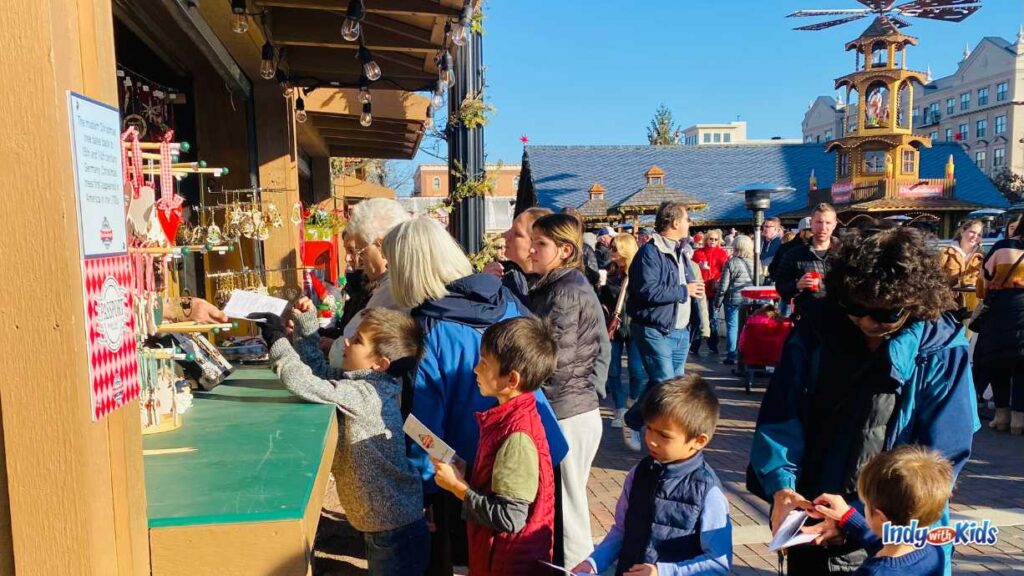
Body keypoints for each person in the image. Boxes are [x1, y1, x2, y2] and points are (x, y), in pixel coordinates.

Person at [750, 225, 978, 574]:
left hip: (895, 527)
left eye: (886, 313)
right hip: (814, 510)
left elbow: (941, 459)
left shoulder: (942, 349)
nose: (868, 322)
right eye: (856, 308)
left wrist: (856, 517)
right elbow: (781, 415)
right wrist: (782, 489)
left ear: (915, 303)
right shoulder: (816, 328)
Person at [381, 216, 567, 575]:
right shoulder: (505, 297)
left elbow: (425, 421)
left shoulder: (430, 326)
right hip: (540, 443)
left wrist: (428, 489)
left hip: (477, 469)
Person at [250, 303, 429, 574]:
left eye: (358, 341)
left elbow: (304, 383)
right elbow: (318, 373)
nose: (347, 340)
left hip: (393, 531)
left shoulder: (365, 394)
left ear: (379, 364)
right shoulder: (365, 383)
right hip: (384, 525)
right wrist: (306, 323)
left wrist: (277, 340)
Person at [432, 317, 558, 576]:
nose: (475, 369)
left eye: (484, 363)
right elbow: (500, 483)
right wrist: (467, 472)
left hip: (508, 563)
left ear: (511, 379)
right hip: (498, 558)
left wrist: (459, 488)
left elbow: (510, 518)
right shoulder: (507, 416)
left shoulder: (518, 435)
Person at [573, 375, 732, 575]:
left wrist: (662, 572)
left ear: (698, 441)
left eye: (664, 435)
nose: (651, 440)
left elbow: (718, 563)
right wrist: (594, 562)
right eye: (649, 429)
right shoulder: (639, 473)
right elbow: (622, 530)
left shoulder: (707, 491)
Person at [528, 212, 606, 568]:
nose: (532, 249)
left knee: (570, 515)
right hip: (570, 407)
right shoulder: (558, 286)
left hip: (568, 412)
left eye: (540, 243)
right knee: (564, 507)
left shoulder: (566, 291)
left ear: (564, 250)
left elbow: (556, 360)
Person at [623, 201, 709, 452]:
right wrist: (685, 290)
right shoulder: (650, 253)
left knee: (665, 384)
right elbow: (647, 290)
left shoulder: (682, 250)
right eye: (687, 219)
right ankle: (656, 430)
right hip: (654, 328)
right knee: (666, 383)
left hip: (679, 330)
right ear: (674, 223)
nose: (690, 224)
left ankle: (638, 420)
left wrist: (693, 297)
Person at [805, 446, 952, 576]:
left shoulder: (873, 572)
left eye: (866, 504)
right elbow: (880, 544)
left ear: (881, 517)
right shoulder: (933, 551)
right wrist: (847, 516)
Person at [327, 198, 411, 368]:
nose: (358, 261)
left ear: (381, 246)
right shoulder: (389, 284)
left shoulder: (394, 289)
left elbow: (344, 353)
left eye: (361, 251)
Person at [973, 214, 1024, 435]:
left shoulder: (1003, 247)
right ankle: (1019, 419)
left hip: (1000, 312)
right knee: (1023, 367)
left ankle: (1001, 416)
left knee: (998, 362)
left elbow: (982, 281)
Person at [599, 234, 649, 428]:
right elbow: (601, 299)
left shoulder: (639, 272)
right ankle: (619, 408)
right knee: (613, 370)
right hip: (614, 326)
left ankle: (633, 401)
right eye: (611, 248)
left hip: (634, 326)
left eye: (615, 248)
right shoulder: (608, 272)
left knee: (637, 370)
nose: (611, 252)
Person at [774, 203, 838, 316]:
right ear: (811, 224)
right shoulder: (794, 255)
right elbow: (780, 287)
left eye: (828, 223)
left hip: (841, 318)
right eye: (818, 222)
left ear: (834, 225)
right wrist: (797, 285)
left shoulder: (845, 252)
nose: (823, 227)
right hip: (807, 320)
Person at [484, 207, 553, 303]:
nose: (505, 235)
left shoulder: (555, 289)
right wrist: (484, 284)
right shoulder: (505, 274)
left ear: (537, 243)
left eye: (517, 233)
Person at [714, 235, 757, 365]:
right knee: (746, 327)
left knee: (732, 327)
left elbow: (723, 286)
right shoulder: (755, 262)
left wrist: (717, 302)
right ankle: (745, 353)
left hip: (733, 300)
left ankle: (731, 355)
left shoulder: (731, 262)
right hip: (750, 300)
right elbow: (759, 281)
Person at [692, 229, 730, 355]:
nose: (713, 241)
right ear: (706, 239)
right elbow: (691, 268)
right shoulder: (698, 253)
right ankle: (695, 345)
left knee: (713, 319)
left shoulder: (722, 253)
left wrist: (719, 279)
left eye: (715, 239)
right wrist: (700, 267)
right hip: (700, 288)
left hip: (714, 289)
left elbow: (726, 270)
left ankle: (713, 344)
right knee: (698, 317)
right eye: (710, 239)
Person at [939, 219, 984, 316]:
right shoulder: (946, 253)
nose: (975, 237)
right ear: (963, 231)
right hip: (947, 307)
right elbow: (934, 279)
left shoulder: (982, 257)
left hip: (972, 308)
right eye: (972, 232)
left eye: (979, 235)